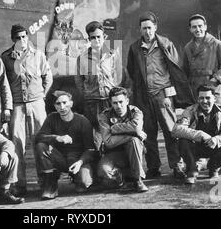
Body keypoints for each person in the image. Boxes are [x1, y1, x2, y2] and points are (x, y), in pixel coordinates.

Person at [127, 11, 195, 179]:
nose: (147, 32)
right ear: (140, 29)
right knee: (148, 133)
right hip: (144, 96)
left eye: (150, 28)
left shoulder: (166, 44)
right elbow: (131, 70)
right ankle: (153, 167)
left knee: (171, 131)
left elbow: (174, 70)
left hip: (163, 95)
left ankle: (176, 165)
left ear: (155, 27)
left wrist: (169, 94)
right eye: (144, 28)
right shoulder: (134, 48)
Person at [1, 24, 53, 195]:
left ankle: (45, 181)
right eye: (18, 37)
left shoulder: (37, 55)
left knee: (42, 142)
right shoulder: (6, 58)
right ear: (12, 39)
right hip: (17, 106)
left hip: (37, 103)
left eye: (24, 36)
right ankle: (19, 184)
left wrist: (41, 96)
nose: (22, 40)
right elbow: (4, 84)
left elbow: (48, 77)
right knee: (17, 145)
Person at [182, 14, 221, 173]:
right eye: (194, 26)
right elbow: (185, 71)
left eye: (200, 26)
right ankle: (203, 158)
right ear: (190, 29)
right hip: (197, 92)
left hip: (215, 91)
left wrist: (214, 81)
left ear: (205, 27)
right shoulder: (187, 48)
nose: (197, 29)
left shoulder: (217, 44)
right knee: (201, 125)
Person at [34, 91, 96, 200]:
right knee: (41, 146)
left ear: (71, 103)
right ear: (55, 106)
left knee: (84, 183)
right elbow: (39, 137)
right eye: (58, 104)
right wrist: (57, 138)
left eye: (64, 102)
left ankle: (77, 177)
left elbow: (90, 149)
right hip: (60, 159)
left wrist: (80, 162)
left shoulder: (82, 121)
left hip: (77, 160)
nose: (62, 107)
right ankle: (51, 185)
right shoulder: (52, 118)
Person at [75, 21, 125, 151]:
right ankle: (97, 164)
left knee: (114, 132)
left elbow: (119, 77)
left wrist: (115, 97)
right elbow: (79, 81)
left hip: (110, 101)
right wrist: (87, 95)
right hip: (92, 103)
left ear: (104, 37)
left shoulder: (113, 55)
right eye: (93, 37)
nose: (96, 40)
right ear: (88, 38)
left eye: (99, 36)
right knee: (95, 137)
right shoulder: (82, 58)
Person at [172, 85, 221, 184]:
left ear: (214, 99)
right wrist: (200, 134)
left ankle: (213, 169)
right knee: (182, 142)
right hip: (196, 147)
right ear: (198, 99)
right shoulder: (190, 110)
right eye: (201, 98)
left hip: (214, 146)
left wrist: (216, 139)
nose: (204, 101)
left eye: (208, 98)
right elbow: (176, 129)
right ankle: (192, 172)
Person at [97, 87, 148, 192]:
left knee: (134, 142)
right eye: (115, 103)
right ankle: (122, 176)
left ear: (127, 101)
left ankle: (137, 179)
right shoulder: (104, 116)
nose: (119, 106)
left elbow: (135, 127)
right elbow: (108, 142)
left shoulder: (135, 112)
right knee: (103, 173)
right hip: (114, 153)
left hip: (134, 152)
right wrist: (132, 135)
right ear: (111, 103)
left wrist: (113, 128)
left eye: (121, 102)